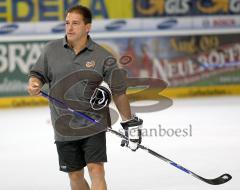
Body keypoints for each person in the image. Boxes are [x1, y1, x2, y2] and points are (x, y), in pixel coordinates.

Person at [27, 5, 142, 190]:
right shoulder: (51, 50)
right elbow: (37, 74)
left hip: (93, 123)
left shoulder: (103, 56)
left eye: (75, 23)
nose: (69, 28)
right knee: (75, 175)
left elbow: (119, 91)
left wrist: (129, 123)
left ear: (87, 27)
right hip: (63, 125)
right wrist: (35, 83)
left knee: (96, 169)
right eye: (67, 23)